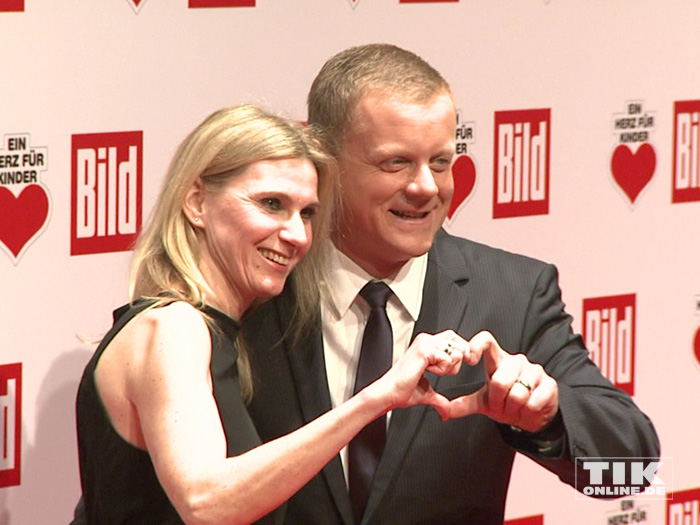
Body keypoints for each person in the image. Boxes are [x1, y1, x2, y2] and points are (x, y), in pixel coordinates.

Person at [241, 44, 661, 524]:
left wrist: (548, 418)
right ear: (320, 155)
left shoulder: (512, 294)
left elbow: (634, 473)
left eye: (441, 162)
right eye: (395, 163)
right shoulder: (252, 286)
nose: (426, 187)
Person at [74, 104, 478, 524]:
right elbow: (204, 501)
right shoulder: (174, 327)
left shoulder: (218, 334)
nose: (297, 235)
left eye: (307, 213)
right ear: (196, 202)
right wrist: (377, 397)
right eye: (271, 204)